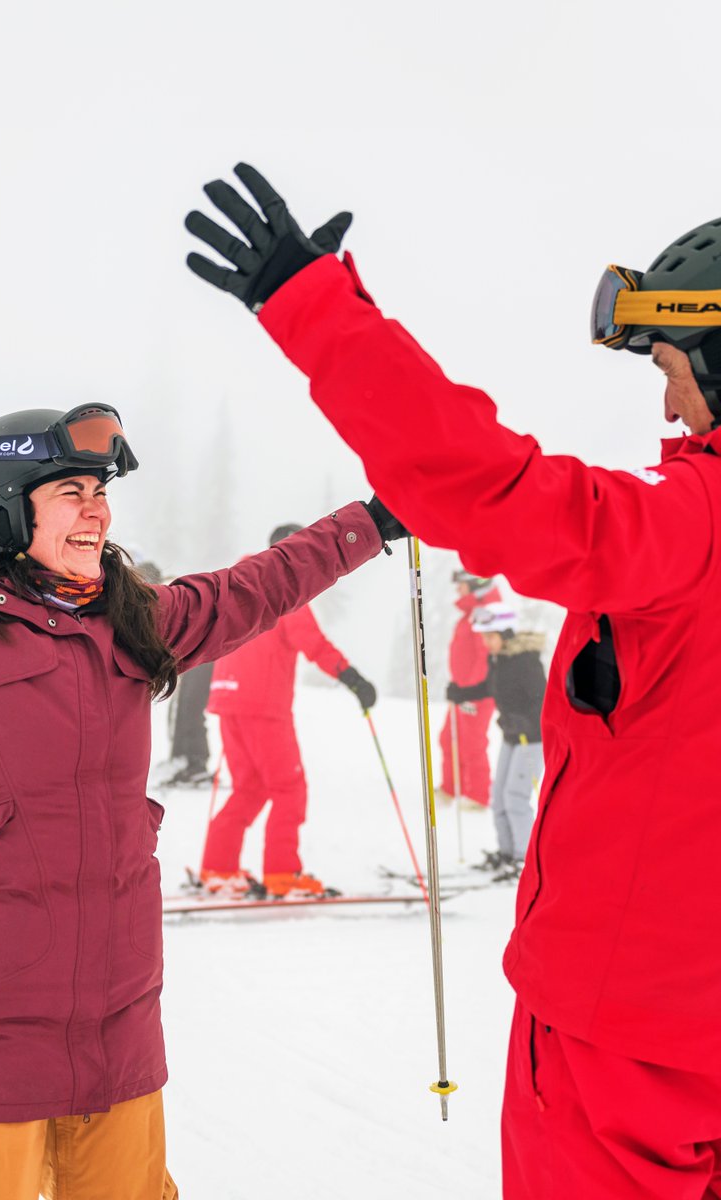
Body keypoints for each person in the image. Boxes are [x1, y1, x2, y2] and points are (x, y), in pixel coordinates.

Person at [185, 165, 721, 1196]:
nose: (666, 396)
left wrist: (314, 308)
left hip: (635, 1036)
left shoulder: (693, 517)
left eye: (672, 364)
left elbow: (494, 490)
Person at [0, 341, 404, 1200]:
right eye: (72, 492)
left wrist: (373, 520)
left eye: (100, 493)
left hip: (115, 1026)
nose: (97, 511)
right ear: (1, 510)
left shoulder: (130, 622)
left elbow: (257, 586)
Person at [200, 522, 378, 898]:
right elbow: (312, 643)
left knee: (250, 788)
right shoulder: (284, 587)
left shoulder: (238, 583)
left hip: (228, 700)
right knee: (288, 788)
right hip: (263, 707)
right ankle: (283, 874)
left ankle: (218, 867)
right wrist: (353, 678)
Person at [446, 602, 545, 881]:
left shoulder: (526, 659)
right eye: (484, 636)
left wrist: (526, 721)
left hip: (532, 739)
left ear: (506, 632)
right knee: (500, 795)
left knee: (516, 797)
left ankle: (524, 859)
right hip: (512, 737)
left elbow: (544, 700)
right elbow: (491, 687)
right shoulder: (498, 658)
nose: (486, 643)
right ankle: (507, 853)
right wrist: (462, 693)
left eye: (490, 636)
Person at [436, 569, 500, 809]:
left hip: (476, 694)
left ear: (476, 584)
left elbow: (485, 658)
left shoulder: (486, 612)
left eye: (461, 584)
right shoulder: (474, 612)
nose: (458, 589)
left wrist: (471, 694)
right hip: (464, 692)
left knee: (471, 742)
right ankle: (451, 789)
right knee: (449, 738)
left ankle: (477, 796)